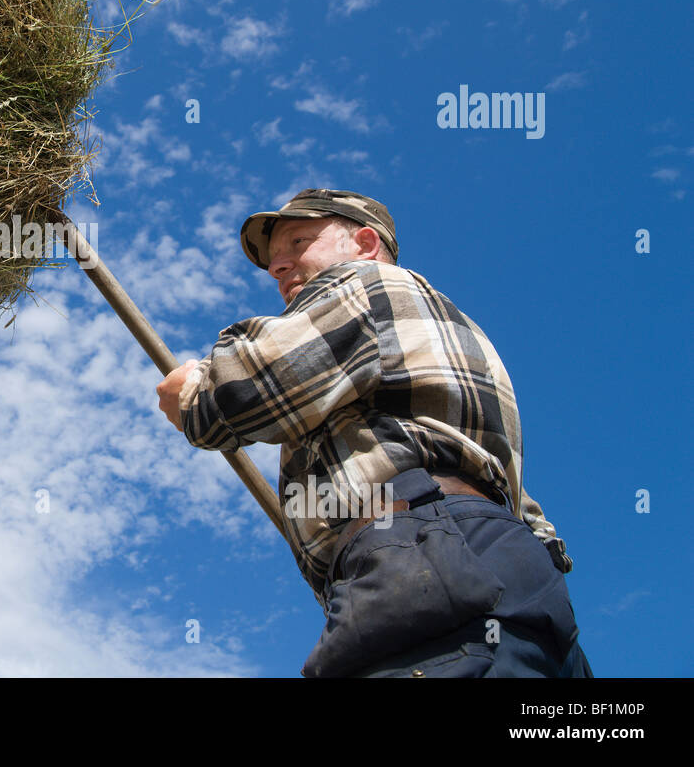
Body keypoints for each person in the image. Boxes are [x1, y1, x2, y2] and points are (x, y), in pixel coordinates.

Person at [155, 188, 592, 677]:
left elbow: (238, 396)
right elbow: (531, 522)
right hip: (509, 579)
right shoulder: (433, 336)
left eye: (298, 243)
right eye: (275, 261)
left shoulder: (367, 284)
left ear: (364, 243)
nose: (279, 267)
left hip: (426, 552)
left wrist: (191, 389)